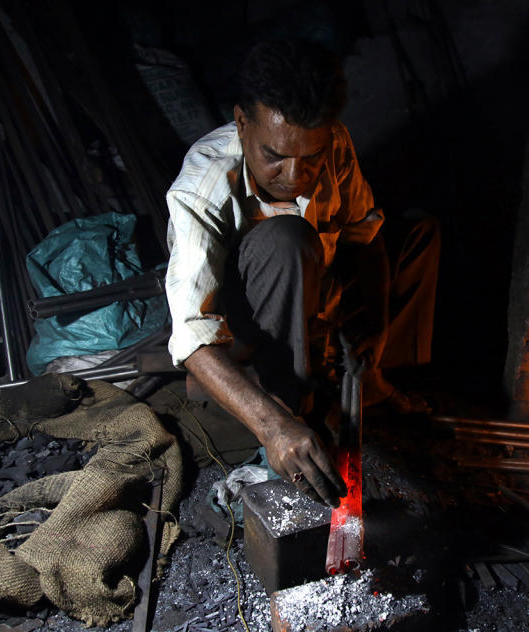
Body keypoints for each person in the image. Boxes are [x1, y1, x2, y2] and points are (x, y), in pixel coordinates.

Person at [164, 38, 440, 507]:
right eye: (274, 156)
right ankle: (290, 413)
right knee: (286, 238)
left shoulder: (332, 142)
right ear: (242, 122)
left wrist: (376, 325)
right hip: (254, 325)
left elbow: (364, 234)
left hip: (319, 295)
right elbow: (191, 337)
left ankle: (373, 378)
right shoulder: (201, 189)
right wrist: (274, 425)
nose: (295, 175)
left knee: (418, 232)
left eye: (310, 157)